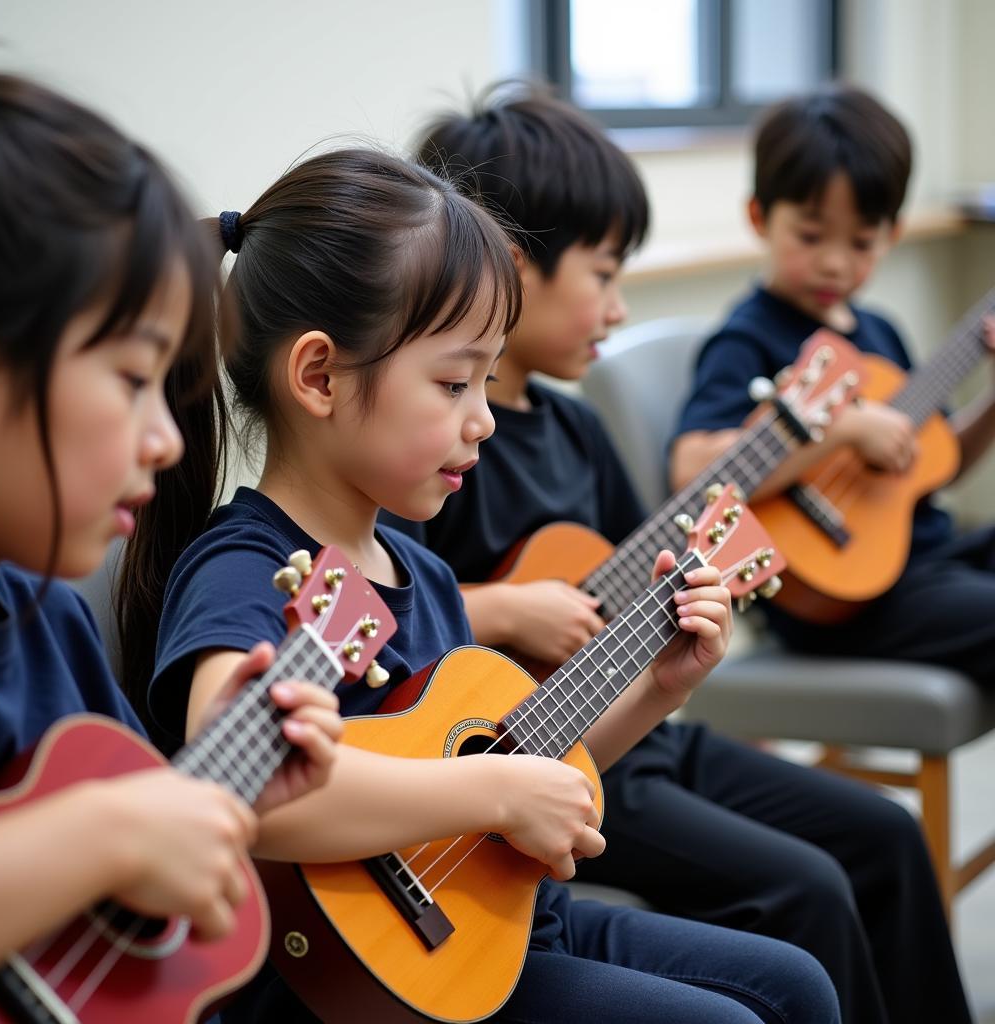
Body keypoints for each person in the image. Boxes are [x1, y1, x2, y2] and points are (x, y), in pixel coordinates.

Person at [119, 146, 841, 1023]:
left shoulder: (417, 567)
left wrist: (657, 685)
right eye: (454, 381)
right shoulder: (245, 568)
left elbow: (523, 770)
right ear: (318, 376)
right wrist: (494, 792)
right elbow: (250, 796)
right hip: (362, 989)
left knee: (797, 984)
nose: (484, 417)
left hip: (506, 929)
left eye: (488, 380)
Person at [381, 83, 972, 1024]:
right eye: (604, 275)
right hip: (550, 760)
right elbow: (394, 621)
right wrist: (504, 609)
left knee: (885, 834)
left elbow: (640, 564)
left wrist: (698, 582)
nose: (618, 308)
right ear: (512, 266)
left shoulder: (574, 430)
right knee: (809, 887)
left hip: (638, 729)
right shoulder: (438, 450)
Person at [0, 71, 344, 993]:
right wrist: (107, 836)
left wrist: (228, 791)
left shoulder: (46, 621)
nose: (169, 438)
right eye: (134, 379)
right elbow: (109, 836)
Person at [672, 85, 995, 694]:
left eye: (861, 243)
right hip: (838, 599)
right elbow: (691, 471)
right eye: (812, 236)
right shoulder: (747, 338)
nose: (835, 265)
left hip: (925, 561)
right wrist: (839, 429)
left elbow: (935, 463)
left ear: (891, 235)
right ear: (760, 218)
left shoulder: (880, 333)